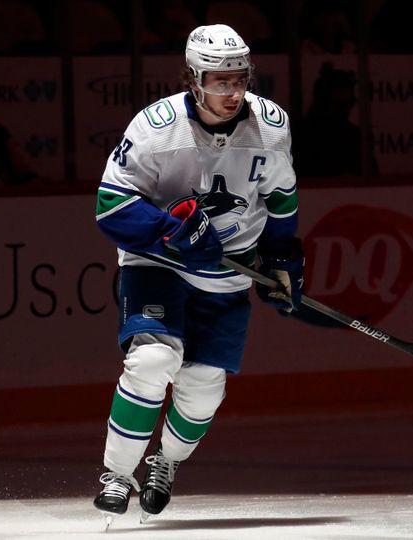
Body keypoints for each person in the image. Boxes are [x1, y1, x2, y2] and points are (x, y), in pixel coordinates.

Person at [91, 24, 304, 526]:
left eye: (240, 79)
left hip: (229, 272)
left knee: (205, 384)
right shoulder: (155, 127)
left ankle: (165, 462)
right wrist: (174, 235)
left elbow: (281, 200)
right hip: (158, 265)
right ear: (192, 77)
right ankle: (118, 475)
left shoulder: (271, 125)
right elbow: (109, 206)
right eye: (220, 80)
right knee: (152, 361)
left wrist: (283, 258)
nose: (233, 92)